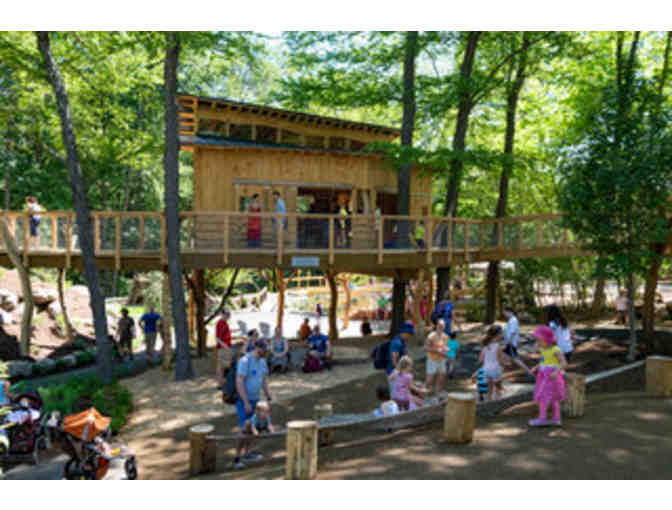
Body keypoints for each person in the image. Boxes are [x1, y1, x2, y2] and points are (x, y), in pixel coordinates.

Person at [233, 340, 273, 469]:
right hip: (244, 400)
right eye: (263, 349)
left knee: (253, 427)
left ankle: (247, 452)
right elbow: (239, 382)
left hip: (256, 399)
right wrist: (245, 402)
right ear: (256, 347)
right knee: (244, 428)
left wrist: (268, 396)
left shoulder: (262, 362)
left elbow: (264, 380)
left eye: (266, 350)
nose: (265, 352)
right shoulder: (245, 361)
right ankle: (237, 457)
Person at [528, 326, 567, 427]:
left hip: (551, 378)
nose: (538, 343)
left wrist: (556, 372)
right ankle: (545, 418)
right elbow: (543, 361)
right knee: (543, 397)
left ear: (547, 339)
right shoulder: (543, 349)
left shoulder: (556, 350)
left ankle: (552, 419)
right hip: (543, 376)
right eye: (537, 340)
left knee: (552, 397)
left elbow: (563, 362)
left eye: (539, 340)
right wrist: (536, 367)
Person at [478, 325, 506, 401]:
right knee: (498, 390)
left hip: (486, 370)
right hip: (495, 370)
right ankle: (497, 403)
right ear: (497, 335)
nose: (502, 335)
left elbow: (480, 359)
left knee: (489, 390)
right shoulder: (498, 346)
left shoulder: (485, 346)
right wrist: (505, 364)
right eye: (501, 334)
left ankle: (489, 402)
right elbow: (500, 361)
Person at [502, 307, 531, 375]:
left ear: (509, 312)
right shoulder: (511, 320)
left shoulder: (513, 320)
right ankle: (498, 374)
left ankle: (529, 372)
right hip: (510, 343)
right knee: (503, 357)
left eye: (505, 312)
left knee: (515, 359)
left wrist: (507, 343)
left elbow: (512, 333)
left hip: (510, 343)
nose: (504, 314)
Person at [424, 318, 448, 395]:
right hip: (432, 360)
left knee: (441, 378)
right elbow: (425, 348)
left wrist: (446, 350)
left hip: (442, 359)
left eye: (443, 325)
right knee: (430, 379)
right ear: (436, 326)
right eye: (440, 325)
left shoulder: (445, 336)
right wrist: (436, 350)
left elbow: (445, 347)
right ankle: (424, 394)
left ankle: (438, 394)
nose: (441, 327)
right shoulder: (431, 336)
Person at [215, 310, 233, 387]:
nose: (228, 316)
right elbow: (217, 338)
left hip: (226, 347)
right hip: (223, 348)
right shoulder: (220, 323)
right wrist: (225, 347)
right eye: (227, 314)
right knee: (221, 367)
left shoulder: (225, 323)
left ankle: (222, 383)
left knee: (224, 366)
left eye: (229, 315)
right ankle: (220, 384)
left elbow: (225, 334)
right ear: (222, 314)